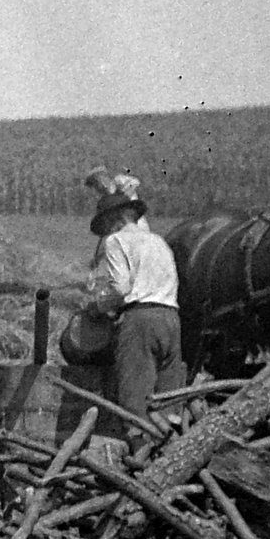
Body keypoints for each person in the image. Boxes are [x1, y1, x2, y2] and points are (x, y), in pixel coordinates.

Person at [83, 185, 184, 453]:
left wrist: (98, 306)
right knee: (167, 398)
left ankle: (141, 457)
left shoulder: (116, 241)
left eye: (105, 226)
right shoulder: (158, 241)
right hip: (171, 318)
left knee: (134, 397)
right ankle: (169, 454)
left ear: (113, 220)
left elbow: (121, 288)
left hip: (140, 320)